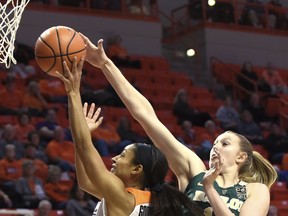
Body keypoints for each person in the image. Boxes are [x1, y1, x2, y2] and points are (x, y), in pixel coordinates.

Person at [79, 35, 278, 215]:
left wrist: (209, 188)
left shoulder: (255, 190)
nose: (216, 146)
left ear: (241, 156)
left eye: (225, 143)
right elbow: (146, 116)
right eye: (215, 142)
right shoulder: (194, 170)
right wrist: (105, 64)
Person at [55, 54, 203, 215]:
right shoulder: (147, 201)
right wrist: (83, 133)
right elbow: (85, 182)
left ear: (137, 169)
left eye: (123, 155)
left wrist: (73, 91)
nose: (114, 158)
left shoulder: (122, 198)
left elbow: (84, 146)